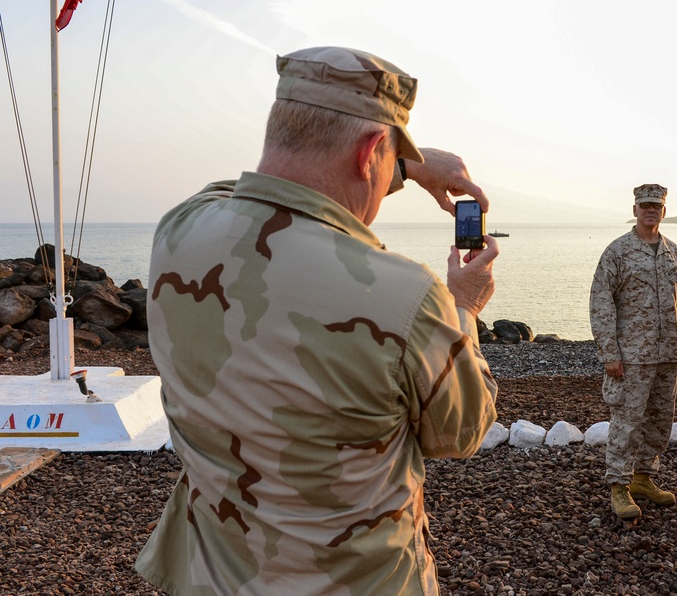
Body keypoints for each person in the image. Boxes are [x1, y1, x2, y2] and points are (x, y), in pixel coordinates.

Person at [134, 46, 500, 594]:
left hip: (212, 577)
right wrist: (464, 308)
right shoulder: (407, 298)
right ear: (372, 151)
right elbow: (463, 430)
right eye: (385, 161)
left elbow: (250, 192)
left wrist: (401, 164)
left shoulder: (178, 232)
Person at [589, 183, 677, 522]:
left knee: (660, 421)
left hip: (667, 354)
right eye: (644, 204)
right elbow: (601, 303)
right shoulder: (617, 252)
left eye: (656, 206)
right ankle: (619, 485)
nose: (650, 210)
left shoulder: (674, 252)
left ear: (664, 211)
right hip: (631, 356)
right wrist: (609, 353)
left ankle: (644, 478)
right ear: (635, 210)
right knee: (626, 422)